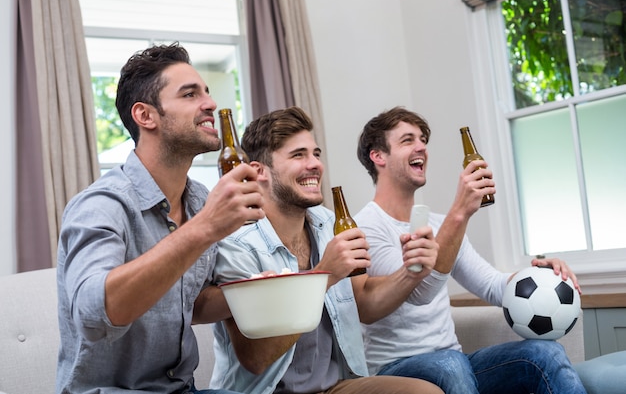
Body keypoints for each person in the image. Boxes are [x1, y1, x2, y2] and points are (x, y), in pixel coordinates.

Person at [55, 42, 264, 393]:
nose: (210, 103)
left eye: (207, 92)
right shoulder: (100, 205)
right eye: (189, 94)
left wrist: (267, 286)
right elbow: (95, 317)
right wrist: (205, 228)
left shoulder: (198, 199)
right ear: (145, 116)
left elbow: (191, 303)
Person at [354, 106, 588, 394]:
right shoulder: (366, 226)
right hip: (396, 369)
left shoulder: (442, 223)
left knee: (544, 354)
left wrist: (537, 278)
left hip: (454, 361)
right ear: (378, 156)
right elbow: (419, 291)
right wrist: (460, 212)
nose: (421, 147)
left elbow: (491, 285)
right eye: (407, 140)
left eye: (423, 140)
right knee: (450, 365)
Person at [210, 106, 443, 394]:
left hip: (337, 386)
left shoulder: (329, 223)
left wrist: (410, 272)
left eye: (316, 154)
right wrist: (323, 275)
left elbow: (366, 305)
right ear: (259, 172)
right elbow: (255, 359)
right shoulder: (237, 244)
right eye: (299, 155)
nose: (315, 164)